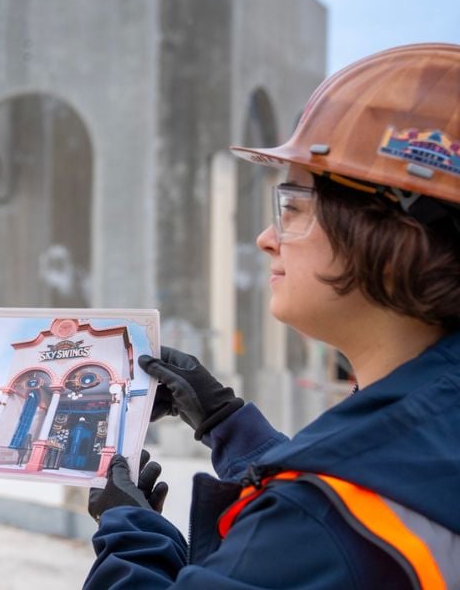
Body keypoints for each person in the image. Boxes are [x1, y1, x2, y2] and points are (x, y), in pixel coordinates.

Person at [84, 43, 460, 588]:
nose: (267, 240)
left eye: (293, 210)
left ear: (396, 233)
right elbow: (375, 470)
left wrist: (130, 533)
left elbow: (326, 513)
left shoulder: (314, 526)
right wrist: (227, 423)